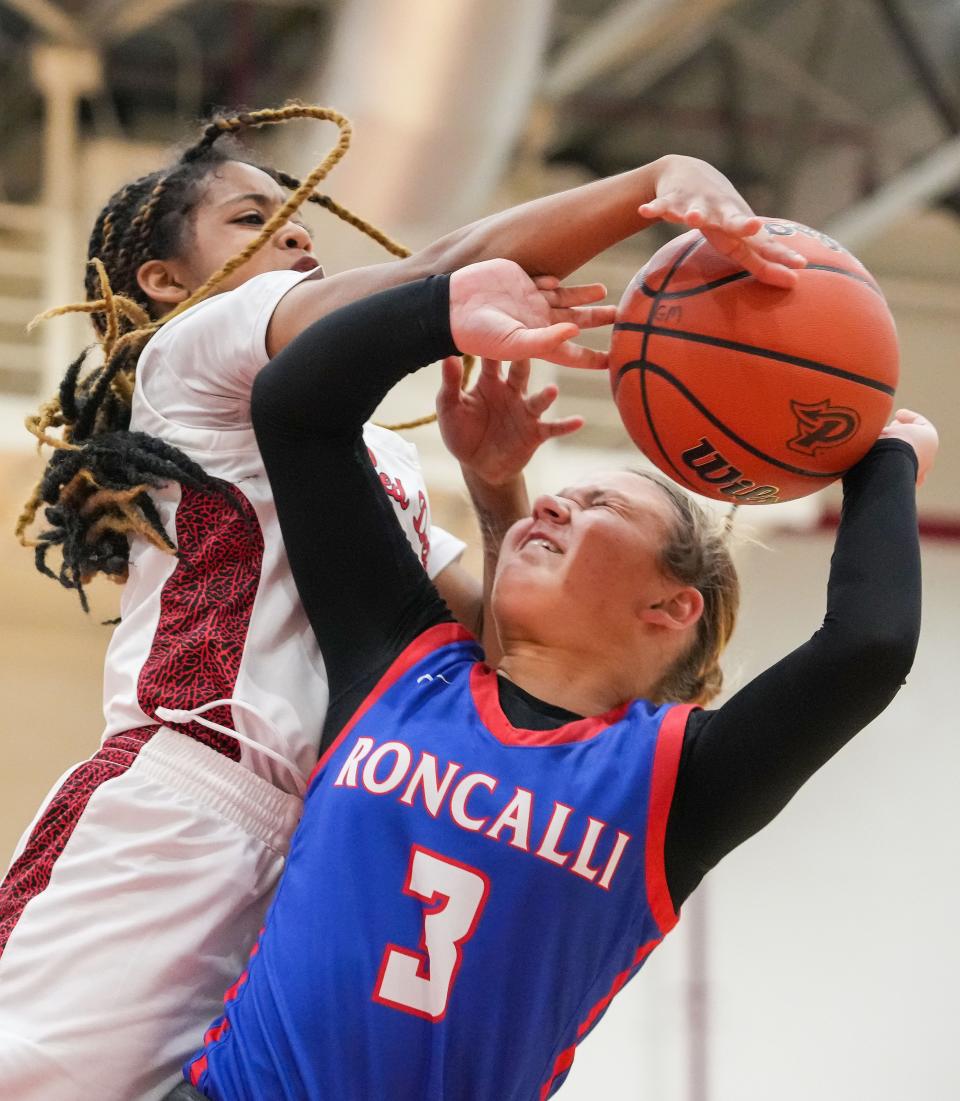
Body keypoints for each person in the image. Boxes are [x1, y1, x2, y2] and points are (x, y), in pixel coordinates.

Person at [0, 104, 807, 1101]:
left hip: (322, 849)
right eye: (249, 219)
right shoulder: (195, 352)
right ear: (164, 281)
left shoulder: (377, 461)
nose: (293, 228)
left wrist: (498, 485)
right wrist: (659, 174)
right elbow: (449, 263)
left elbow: (504, 654)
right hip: (183, 810)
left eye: (296, 213)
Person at [165, 257, 932, 1101]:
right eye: (561, 495)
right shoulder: (404, 663)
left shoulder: (673, 779)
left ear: (670, 606)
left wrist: (880, 452)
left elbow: (869, 643)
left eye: (605, 505)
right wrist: (447, 308)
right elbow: (295, 407)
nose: (556, 505)